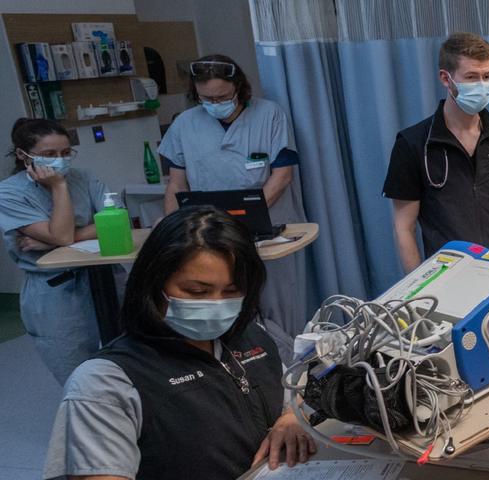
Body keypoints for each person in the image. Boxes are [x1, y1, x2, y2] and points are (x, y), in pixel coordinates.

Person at [44, 206, 314, 480]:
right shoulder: (105, 383)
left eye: (232, 291)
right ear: (154, 285)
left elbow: (292, 394)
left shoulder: (251, 337)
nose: (217, 305)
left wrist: (291, 418)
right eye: (197, 291)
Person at [158, 54, 308, 359]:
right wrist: (171, 232)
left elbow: (281, 177)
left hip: (268, 229)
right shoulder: (186, 124)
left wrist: (243, 219)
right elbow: (176, 184)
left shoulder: (269, 115)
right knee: (226, 304)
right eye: (206, 98)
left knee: (276, 305)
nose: (215, 103)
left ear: (239, 88)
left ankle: (290, 371)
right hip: (210, 235)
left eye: (222, 96)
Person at [386, 32, 489, 273]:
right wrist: (417, 290)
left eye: (486, 77)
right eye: (471, 77)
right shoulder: (413, 144)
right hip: (449, 279)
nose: (481, 85)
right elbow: (404, 227)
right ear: (446, 78)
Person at [0, 118, 125, 384]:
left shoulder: (86, 178)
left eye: (66, 153)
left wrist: (57, 240)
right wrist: (59, 187)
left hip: (106, 278)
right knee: (81, 377)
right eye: (49, 155)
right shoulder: (9, 193)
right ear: (24, 156)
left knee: (130, 361)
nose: (60, 160)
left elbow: (118, 219)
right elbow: (63, 234)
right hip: (55, 291)